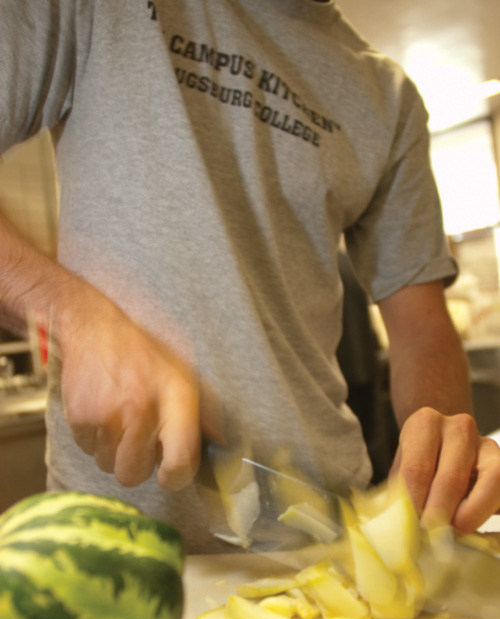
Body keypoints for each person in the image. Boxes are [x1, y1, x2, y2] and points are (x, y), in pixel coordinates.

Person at [1, 0, 499, 552]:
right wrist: (75, 316)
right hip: (113, 544)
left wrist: (442, 439)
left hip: (322, 529)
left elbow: (421, 325)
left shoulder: (389, 97)